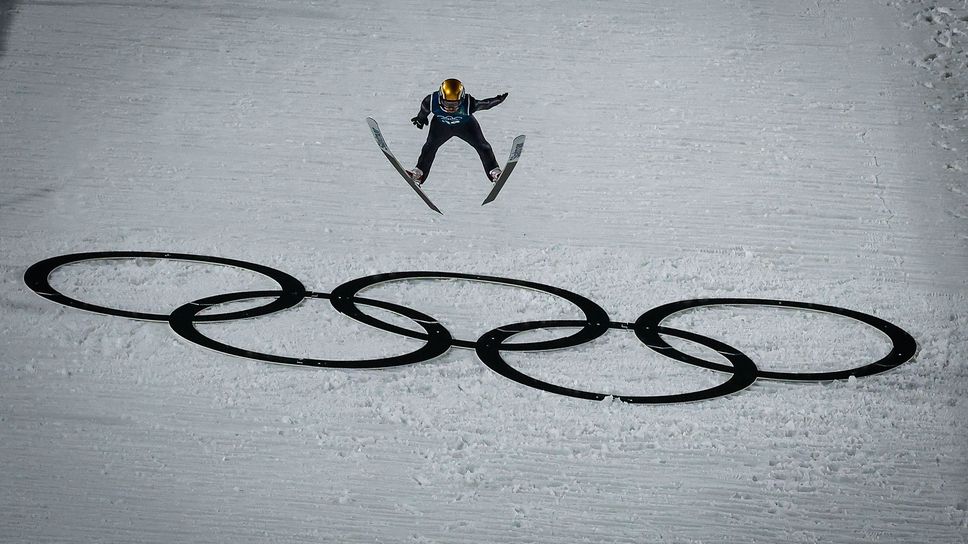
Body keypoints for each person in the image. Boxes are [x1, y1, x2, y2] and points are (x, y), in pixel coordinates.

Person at [407, 78, 508, 185]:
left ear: (462, 99)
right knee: (429, 147)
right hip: (441, 127)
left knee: (483, 146)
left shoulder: (468, 103)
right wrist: (421, 118)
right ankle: (418, 174)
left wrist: (497, 100)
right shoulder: (431, 101)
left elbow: (485, 104)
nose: (451, 108)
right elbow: (424, 109)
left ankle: (494, 172)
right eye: (447, 103)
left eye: (455, 104)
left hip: (466, 127)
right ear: (440, 97)